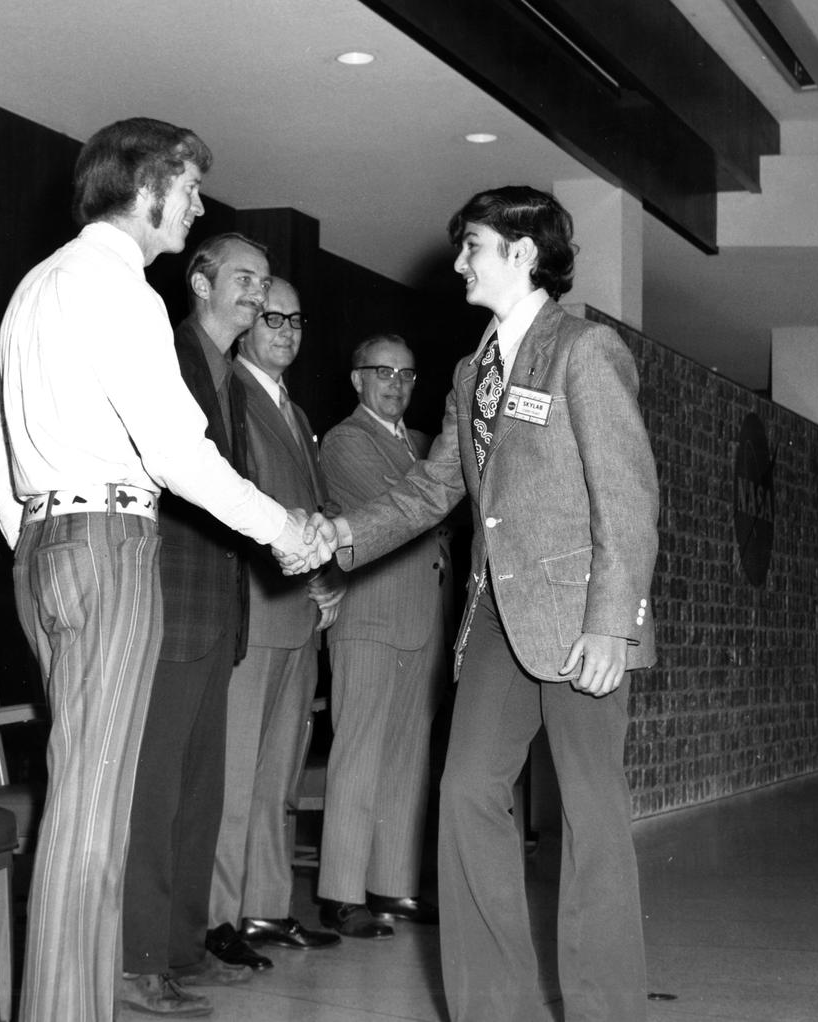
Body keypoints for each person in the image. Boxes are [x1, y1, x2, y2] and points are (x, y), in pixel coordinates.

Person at [0, 118, 332, 1022]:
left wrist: (25, 528)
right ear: (146, 188)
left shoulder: (37, 284)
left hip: (51, 549)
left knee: (87, 787)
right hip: (108, 547)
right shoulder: (123, 288)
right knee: (94, 807)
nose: (199, 204)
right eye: (188, 188)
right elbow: (177, 451)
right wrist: (281, 529)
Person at [326, 186, 659, 1021]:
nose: (459, 261)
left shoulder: (585, 350)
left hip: (582, 623)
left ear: (521, 251)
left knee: (591, 821)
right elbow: (434, 489)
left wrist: (612, 622)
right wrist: (335, 535)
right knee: (468, 790)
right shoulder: (474, 372)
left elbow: (627, 497)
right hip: (496, 626)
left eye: (472, 245)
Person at [118, 233, 278, 1017]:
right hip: (168, 601)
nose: (257, 293)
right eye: (243, 278)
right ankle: (137, 959)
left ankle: (181, 948)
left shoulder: (239, 385)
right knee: (153, 794)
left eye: (265, 282)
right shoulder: (166, 352)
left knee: (199, 794)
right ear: (201, 280)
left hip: (219, 610)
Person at [206, 278, 345, 967]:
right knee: (236, 773)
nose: (286, 330)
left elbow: (309, 505)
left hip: (298, 609)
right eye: (271, 317)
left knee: (279, 774)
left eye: (296, 319)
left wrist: (325, 579)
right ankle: (218, 915)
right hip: (255, 606)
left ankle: (265, 906)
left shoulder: (292, 409)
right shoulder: (230, 391)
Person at [315, 333, 451, 940]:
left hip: (424, 615)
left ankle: (392, 886)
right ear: (356, 380)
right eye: (382, 371)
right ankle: (341, 894)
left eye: (407, 374)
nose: (396, 384)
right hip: (370, 615)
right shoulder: (346, 441)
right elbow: (400, 508)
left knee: (407, 757)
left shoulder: (423, 444)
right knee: (360, 751)